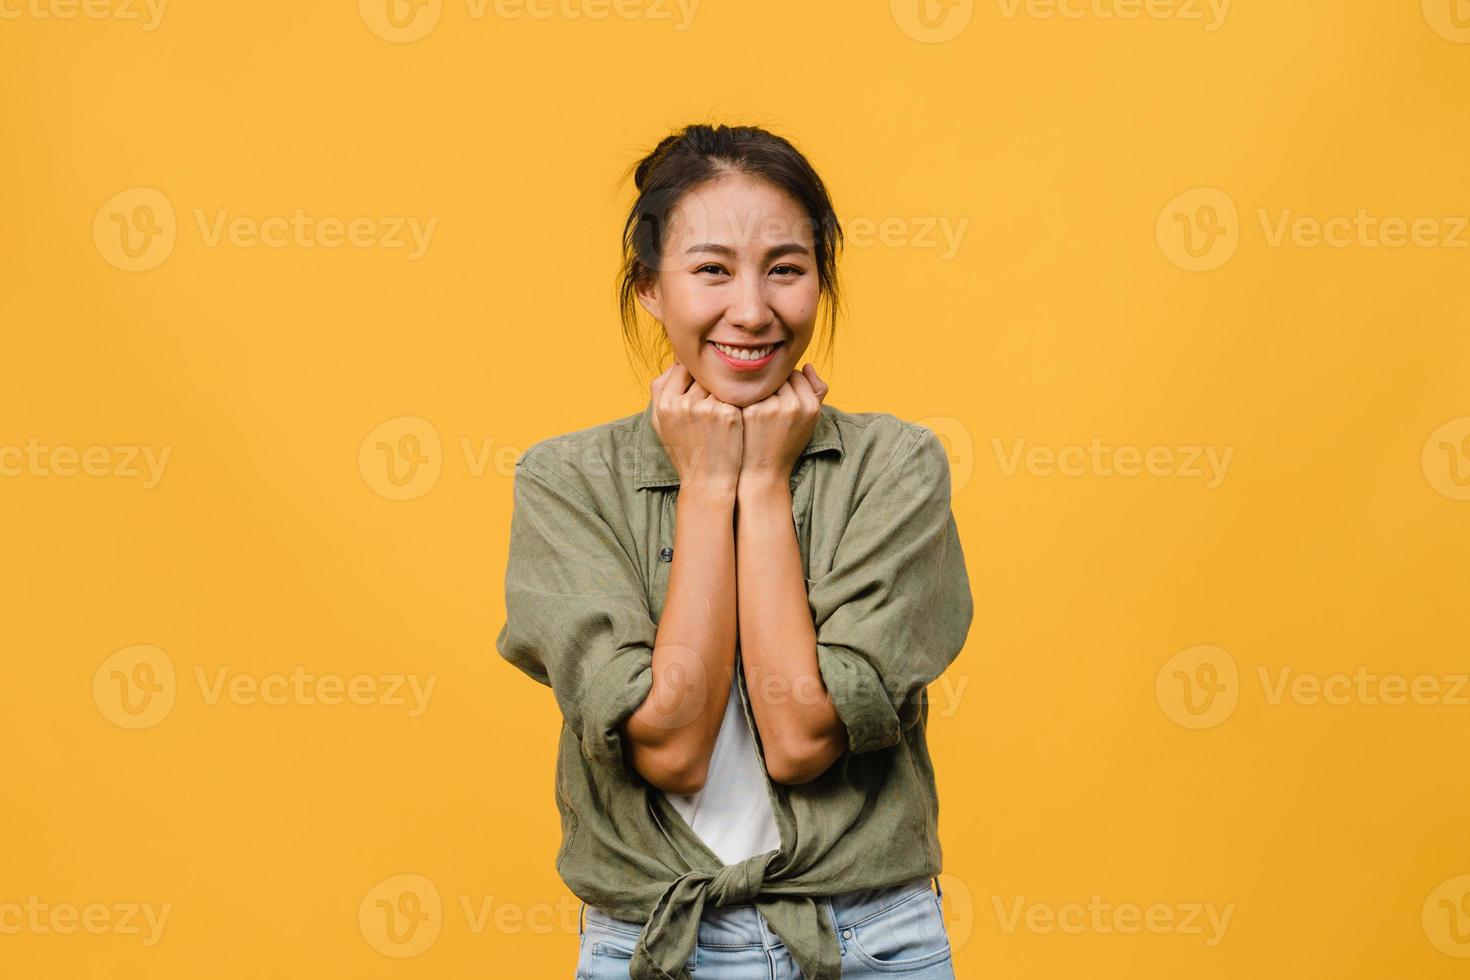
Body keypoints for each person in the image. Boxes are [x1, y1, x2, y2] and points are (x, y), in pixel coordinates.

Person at [496, 122, 974, 979]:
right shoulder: (566, 481)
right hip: (650, 941)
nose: (752, 310)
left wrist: (759, 486)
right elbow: (673, 748)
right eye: (712, 269)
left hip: (874, 942)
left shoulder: (896, 467)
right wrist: (708, 485)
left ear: (820, 281)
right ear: (649, 287)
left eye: (785, 268)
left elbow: (801, 737)